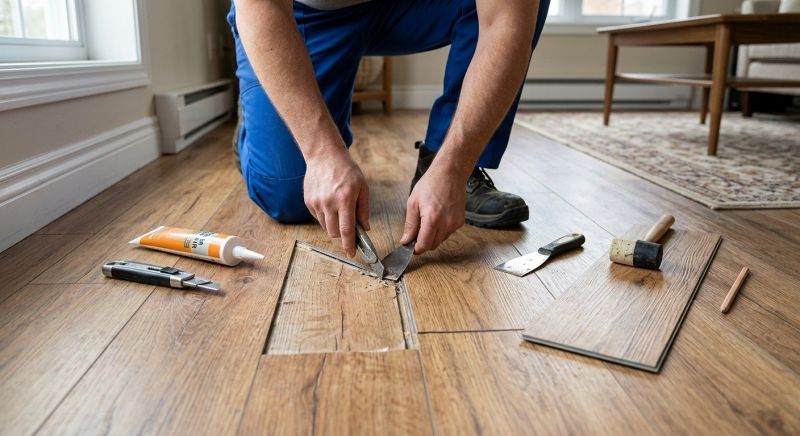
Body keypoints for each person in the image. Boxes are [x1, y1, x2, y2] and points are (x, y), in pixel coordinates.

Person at [228, 0, 549, 258]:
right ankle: (259, 113)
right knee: (289, 195)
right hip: (306, 14)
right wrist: (322, 154)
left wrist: (453, 169)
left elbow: (504, 20)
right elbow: (261, 7)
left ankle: (437, 162)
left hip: (409, 7)